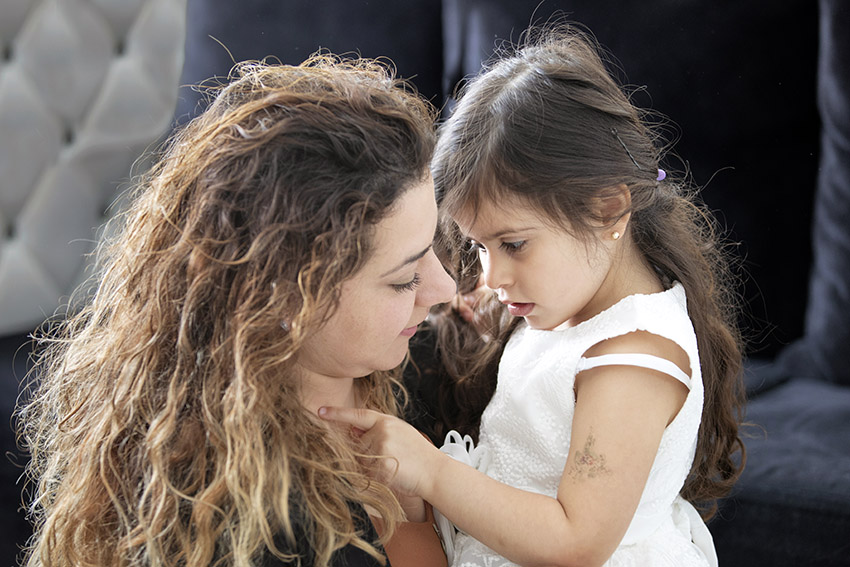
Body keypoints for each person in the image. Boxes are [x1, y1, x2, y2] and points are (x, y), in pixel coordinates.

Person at [320, 28, 746, 567]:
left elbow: (576, 543)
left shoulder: (634, 362)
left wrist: (429, 470)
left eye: (514, 244)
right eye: (478, 245)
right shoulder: (571, 301)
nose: (491, 273)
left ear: (608, 210)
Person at [17, 55, 455, 567]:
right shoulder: (251, 526)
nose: (444, 289)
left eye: (435, 246)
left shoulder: (418, 365)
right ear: (288, 299)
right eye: (404, 278)